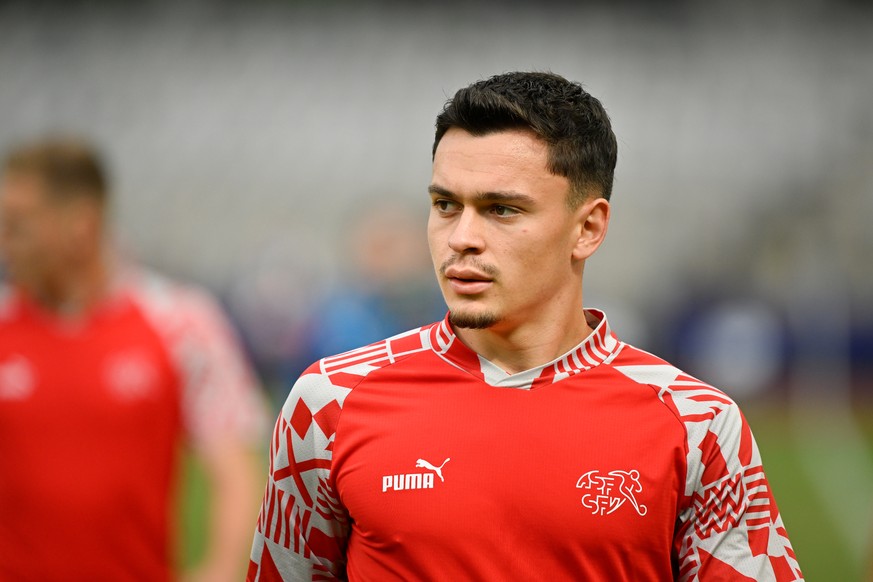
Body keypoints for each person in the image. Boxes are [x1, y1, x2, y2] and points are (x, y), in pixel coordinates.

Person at [246, 72, 803, 580]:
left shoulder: (697, 425)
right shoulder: (328, 404)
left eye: (501, 210)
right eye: (445, 205)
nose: (461, 236)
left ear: (588, 228)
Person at [0, 138, 267, 581]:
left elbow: (235, 465)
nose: (5, 243)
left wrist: (219, 570)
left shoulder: (182, 323)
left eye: (17, 226)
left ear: (80, 225)